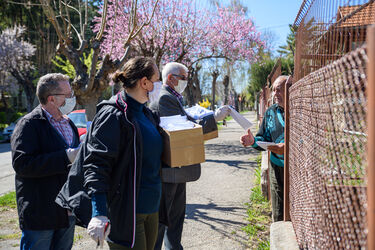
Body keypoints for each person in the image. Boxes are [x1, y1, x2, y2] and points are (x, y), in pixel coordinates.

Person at [81, 57, 163, 249]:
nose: (159, 85)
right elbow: (96, 164)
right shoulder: (113, 114)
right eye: (157, 80)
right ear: (144, 82)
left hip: (152, 208)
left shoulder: (146, 114)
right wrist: (99, 211)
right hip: (128, 212)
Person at [11, 73, 80, 250]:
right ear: (51, 99)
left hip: (67, 211)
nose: (73, 98)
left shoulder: (69, 123)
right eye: (68, 94)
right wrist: (65, 157)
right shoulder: (29, 125)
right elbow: (22, 164)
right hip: (41, 212)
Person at [240, 75, 289, 222]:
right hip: (276, 167)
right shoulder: (270, 112)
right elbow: (264, 138)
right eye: (273, 90)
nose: (275, 94)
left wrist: (288, 148)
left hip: (296, 169)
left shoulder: (300, 111)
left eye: (279, 90)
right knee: (278, 210)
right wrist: (253, 141)